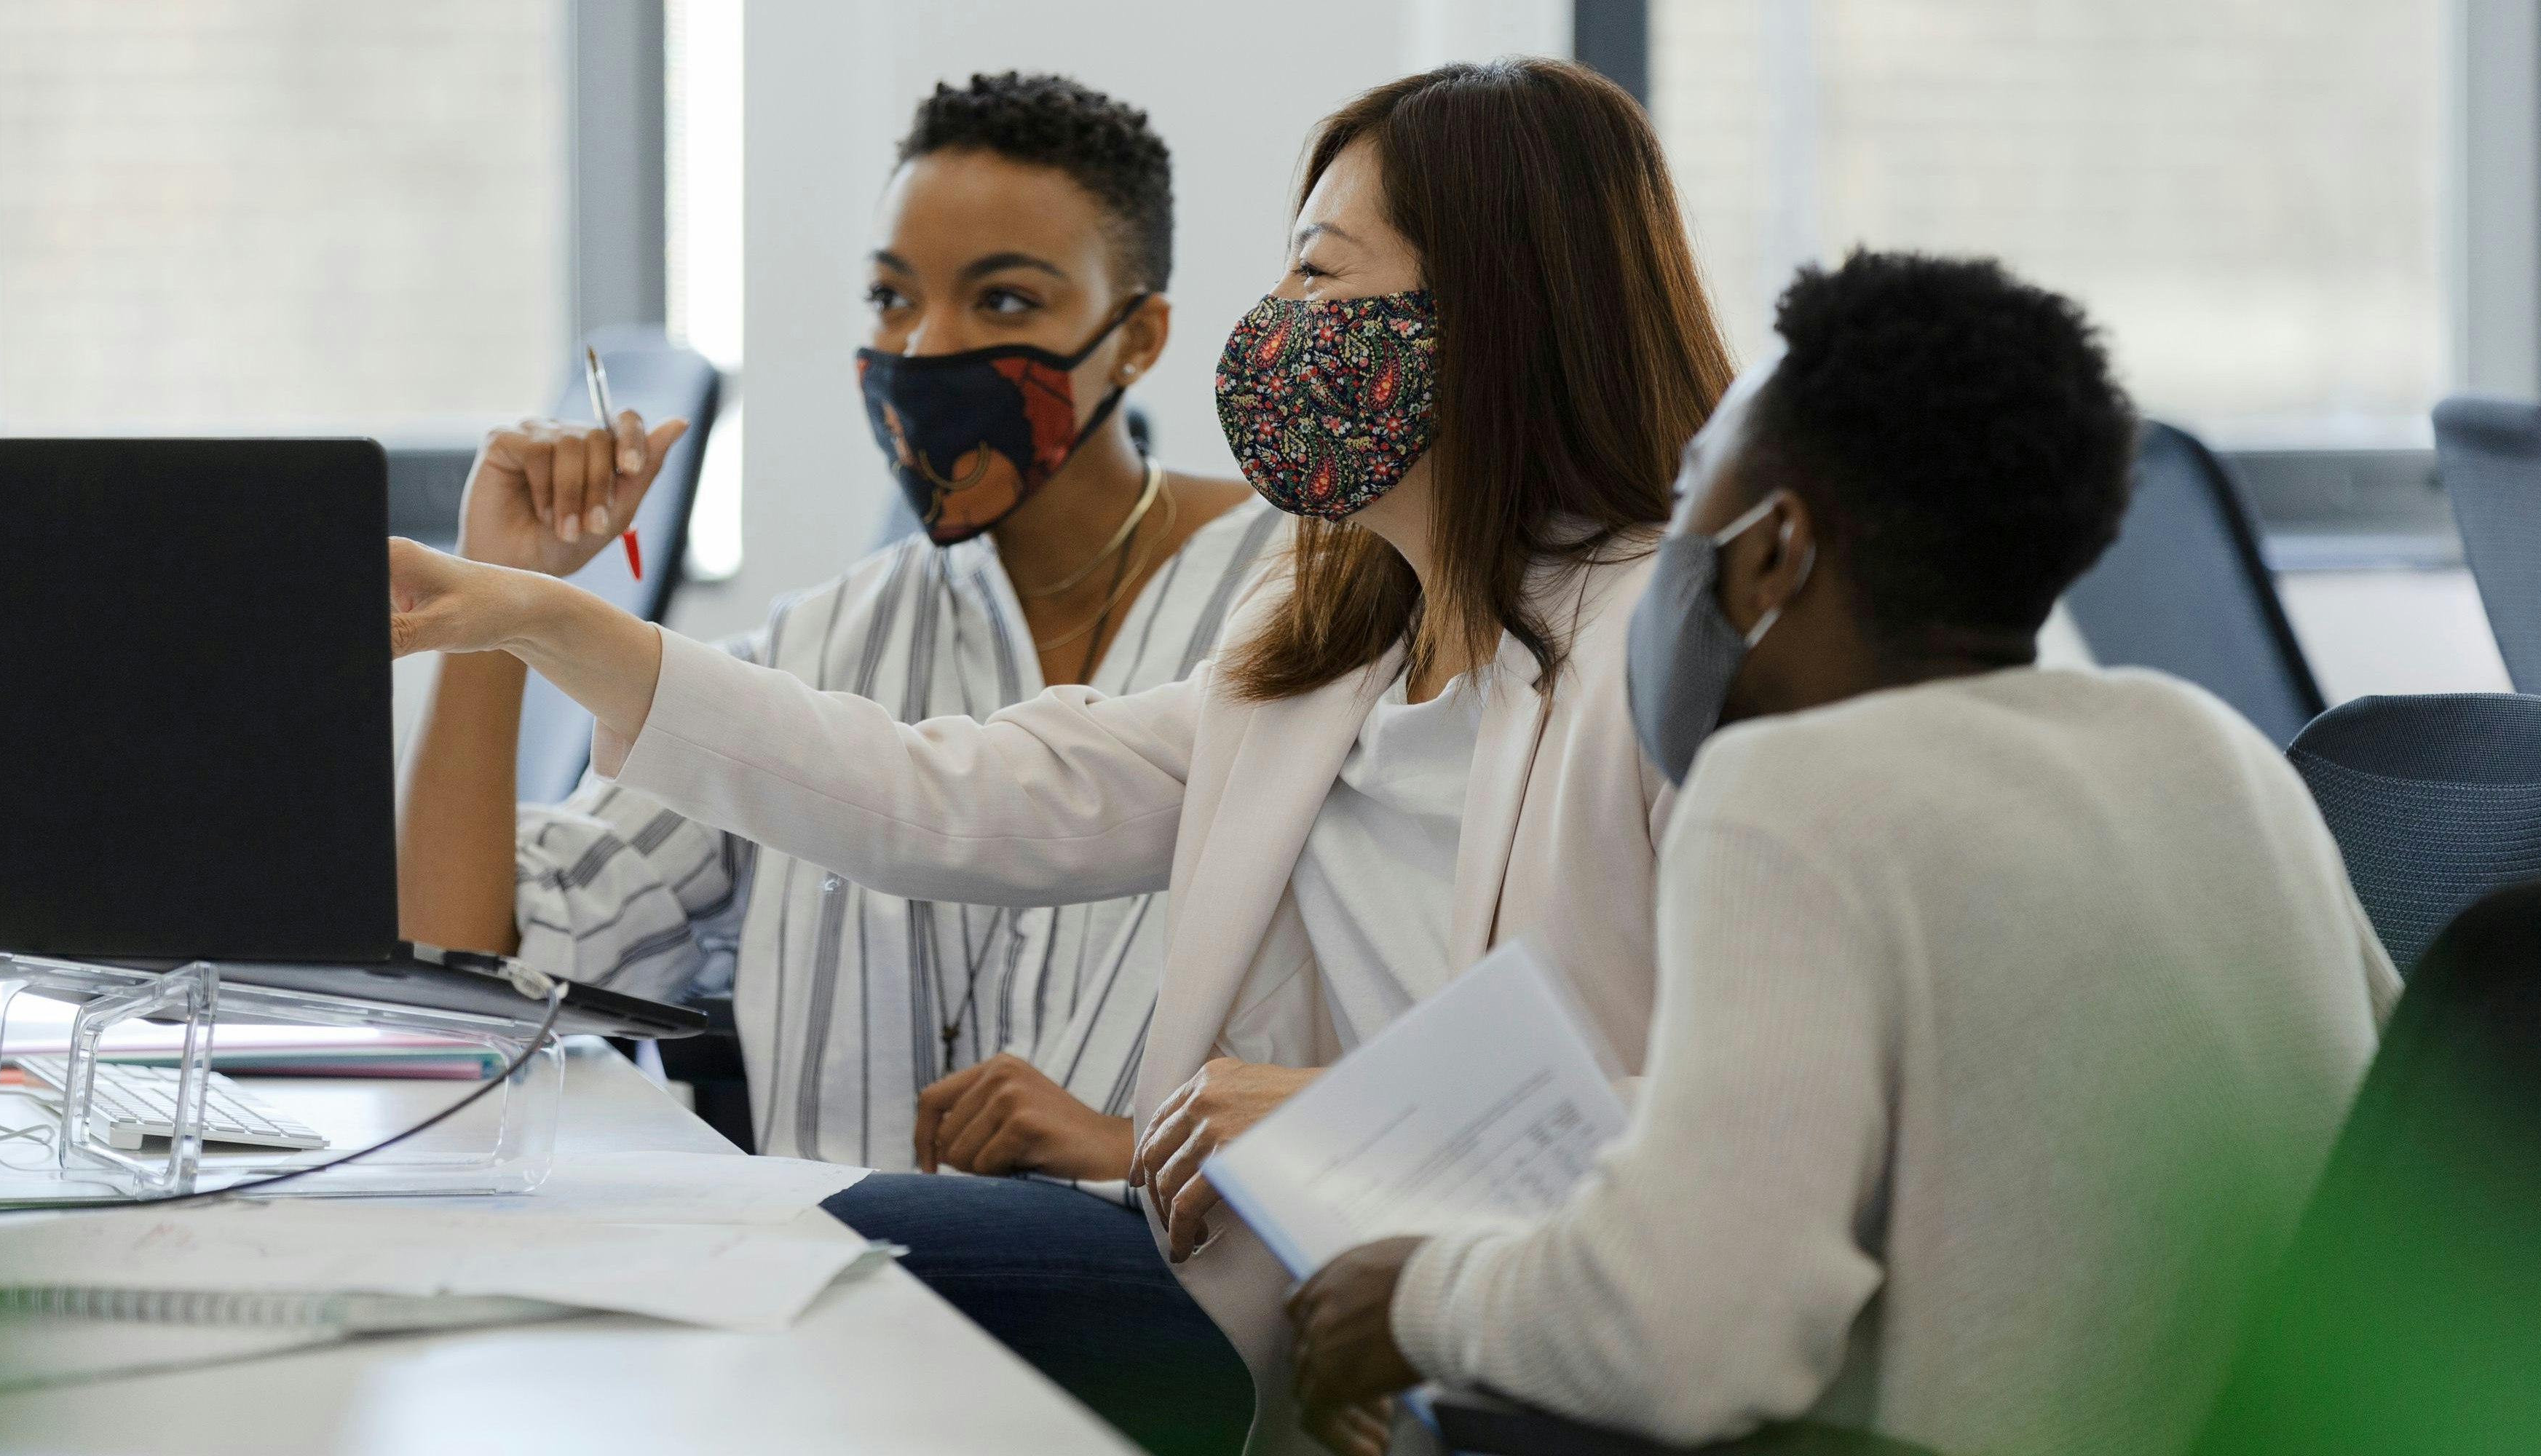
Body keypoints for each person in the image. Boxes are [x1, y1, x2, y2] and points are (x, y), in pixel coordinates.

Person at [386, 57, 1732, 1456]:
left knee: (830, 1254)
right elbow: (940, 795)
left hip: (1541, 1358)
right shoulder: (1321, 653)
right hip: (1333, 1335)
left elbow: (1757, 1121)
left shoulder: (1667, 653)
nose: (1277, 327)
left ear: (1493, 321)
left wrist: (1351, 1120)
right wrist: (541, 618)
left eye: (1321, 280)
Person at [1282, 251, 2400, 1456]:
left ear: (1773, 550)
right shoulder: (2214, 749)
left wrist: (1416, 1301)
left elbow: (1693, 1333)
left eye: (1689, 489)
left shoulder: (1798, 796)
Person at [398, 74, 1270, 1181]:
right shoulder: (825, 645)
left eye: (1004, 302)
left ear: (1138, 338)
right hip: (833, 1300)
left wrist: (1134, 1145)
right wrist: (495, 599)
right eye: (891, 298)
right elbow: (464, 980)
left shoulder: (1303, 606)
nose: (924, 346)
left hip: (1164, 1303)